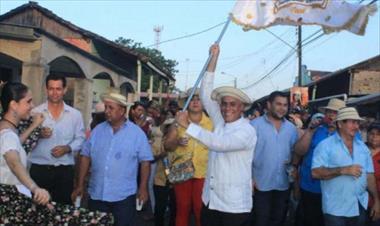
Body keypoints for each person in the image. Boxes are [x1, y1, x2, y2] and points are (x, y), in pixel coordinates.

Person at [175, 44, 257, 226]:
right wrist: (214, 58)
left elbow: (220, 144)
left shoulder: (247, 130)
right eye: (224, 104)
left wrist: (188, 125)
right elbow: (205, 93)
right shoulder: (220, 122)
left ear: (242, 107)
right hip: (210, 200)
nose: (227, 108)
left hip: (234, 206)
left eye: (233, 104)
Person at [72, 89, 153, 226]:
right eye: (106, 107)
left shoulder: (136, 134)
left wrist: (143, 188)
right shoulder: (97, 131)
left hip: (123, 197)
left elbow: (145, 162)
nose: (107, 111)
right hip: (97, 194)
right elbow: (85, 156)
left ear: (122, 111)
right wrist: (80, 184)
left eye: (111, 108)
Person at [312, 107, 380, 226]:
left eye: (357, 122)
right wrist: (343, 170)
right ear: (339, 124)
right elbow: (315, 173)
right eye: (352, 122)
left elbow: (369, 176)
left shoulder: (362, 148)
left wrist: (377, 201)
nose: (356, 126)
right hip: (336, 209)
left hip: (359, 205)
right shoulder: (325, 146)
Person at [28, 74, 85, 205]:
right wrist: (38, 133)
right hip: (39, 171)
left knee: (62, 211)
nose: (54, 93)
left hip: (64, 172)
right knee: (37, 212)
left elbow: (81, 139)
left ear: (65, 90)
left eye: (58, 89)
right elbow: (24, 140)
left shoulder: (75, 115)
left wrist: (67, 148)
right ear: (46, 90)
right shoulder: (34, 113)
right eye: (51, 88)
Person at [294, 98, 346, 226]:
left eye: (336, 112)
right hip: (310, 186)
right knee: (310, 220)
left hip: (334, 189)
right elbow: (299, 151)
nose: (331, 115)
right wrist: (311, 130)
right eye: (329, 111)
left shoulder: (350, 133)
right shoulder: (317, 129)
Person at [165, 88, 213, 226]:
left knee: (200, 210)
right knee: (182, 209)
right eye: (192, 98)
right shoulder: (178, 120)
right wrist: (177, 141)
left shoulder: (212, 123)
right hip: (182, 172)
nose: (195, 102)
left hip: (204, 173)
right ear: (186, 102)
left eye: (199, 98)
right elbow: (168, 146)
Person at [250, 91, 298, 226]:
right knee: (260, 221)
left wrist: (293, 167)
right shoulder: (254, 126)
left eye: (285, 105)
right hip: (260, 184)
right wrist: (250, 178)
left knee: (278, 220)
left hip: (283, 184)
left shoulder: (291, 129)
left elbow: (295, 152)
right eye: (278, 104)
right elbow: (246, 155)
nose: (282, 108)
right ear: (269, 105)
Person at [0, 82, 50, 204]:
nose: (32, 106)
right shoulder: (8, 134)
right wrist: (35, 188)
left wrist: (34, 125)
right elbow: (14, 163)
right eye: (28, 101)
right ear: (13, 105)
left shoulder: (5, 128)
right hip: (8, 199)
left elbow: (15, 143)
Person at [367, 121, 380, 226]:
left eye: (378, 134)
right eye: (372, 133)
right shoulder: (360, 149)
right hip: (358, 202)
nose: (374, 137)